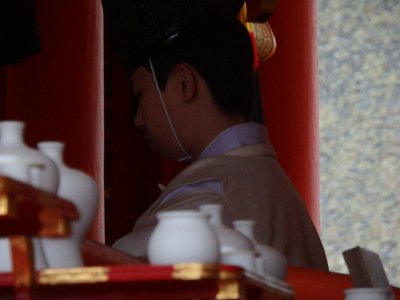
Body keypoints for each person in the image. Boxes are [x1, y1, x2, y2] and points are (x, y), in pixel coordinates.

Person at [103, 0, 329, 270]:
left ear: (184, 83)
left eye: (140, 94)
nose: (139, 120)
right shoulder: (277, 187)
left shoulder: (207, 203)